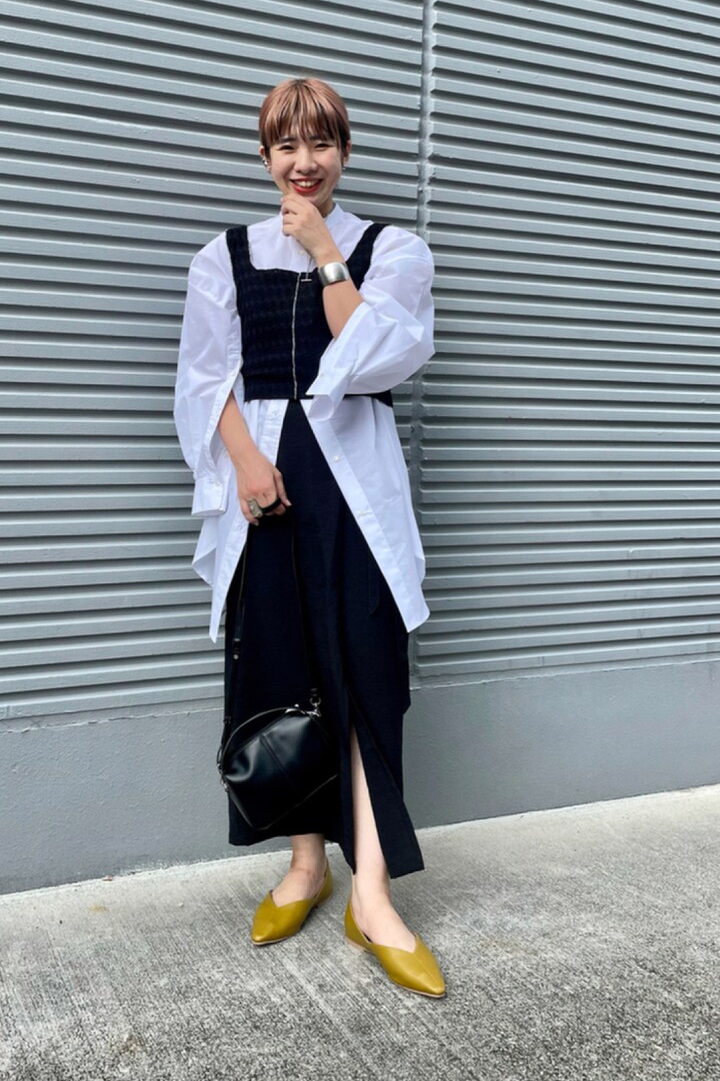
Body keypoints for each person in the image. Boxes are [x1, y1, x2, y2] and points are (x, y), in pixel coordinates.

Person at [173, 76, 445, 998]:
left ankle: (373, 894)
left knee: (365, 677)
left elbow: (373, 360)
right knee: (279, 673)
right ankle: (303, 866)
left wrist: (327, 252)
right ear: (264, 156)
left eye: (320, 143)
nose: (304, 162)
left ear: (344, 151)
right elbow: (205, 379)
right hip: (266, 492)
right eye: (285, 145)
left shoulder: (392, 249)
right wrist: (247, 463)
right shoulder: (223, 257)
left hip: (354, 491)